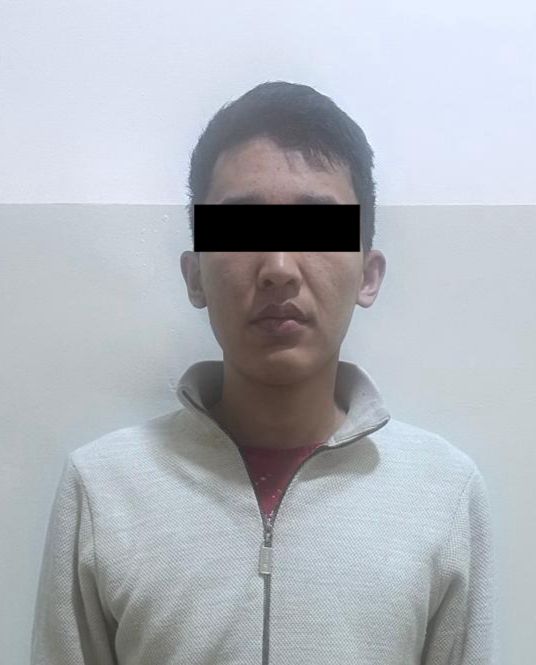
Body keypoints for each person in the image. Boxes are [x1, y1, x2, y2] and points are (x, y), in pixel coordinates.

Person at [31, 81, 498, 664]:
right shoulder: (103, 488)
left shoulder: (443, 493)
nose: (278, 267)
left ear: (368, 275)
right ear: (195, 276)